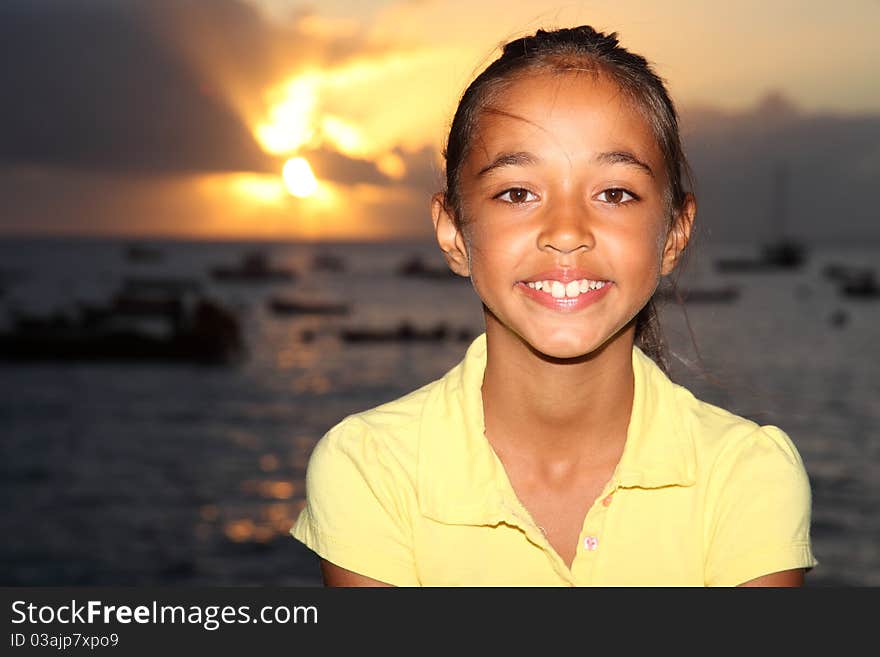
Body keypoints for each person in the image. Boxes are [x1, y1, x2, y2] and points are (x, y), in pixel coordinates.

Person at [290, 25, 817, 586]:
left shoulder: (746, 476)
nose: (567, 232)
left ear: (673, 235)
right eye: (518, 193)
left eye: (614, 193)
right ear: (453, 232)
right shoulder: (372, 467)